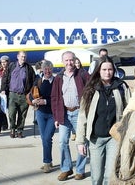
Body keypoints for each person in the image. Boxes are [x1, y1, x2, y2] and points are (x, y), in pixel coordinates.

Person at [76, 56, 131, 185]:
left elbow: (130, 110)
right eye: (104, 69)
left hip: (114, 138)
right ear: (98, 71)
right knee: (96, 177)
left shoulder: (121, 87)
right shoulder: (90, 89)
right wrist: (80, 141)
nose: (107, 72)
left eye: (110, 69)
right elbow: (82, 116)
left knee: (110, 176)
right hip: (96, 139)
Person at [51, 51, 90, 181]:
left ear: (75, 60)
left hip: (80, 113)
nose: (69, 63)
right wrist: (56, 117)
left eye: (71, 60)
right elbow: (55, 98)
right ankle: (66, 169)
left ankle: (80, 170)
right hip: (64, 114)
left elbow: (91, 91)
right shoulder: (59, 78)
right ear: (63, 62)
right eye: (66, 60)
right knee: (62, 142)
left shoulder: (83, 75)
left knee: (82, 142)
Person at [1, 51, 35, 138]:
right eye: (21, 56)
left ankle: (20, 130)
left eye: (24, 57)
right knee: (11, 113)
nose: (23, 58)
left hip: (24, 95)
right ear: (17, 57)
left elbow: (33, 80)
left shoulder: (29, 68)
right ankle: (12, 128)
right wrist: (3, 89)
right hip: (12, 94)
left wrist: (31, 92)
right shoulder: (11, 66)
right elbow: (5, 77)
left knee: (22, 114)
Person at [32, 60, 56, 173]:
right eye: (45, 69)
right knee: (44, 138)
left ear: (52, 70)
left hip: (52, 114)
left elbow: (58, 99)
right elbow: (31, 93)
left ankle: (46, 162)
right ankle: (49, 160)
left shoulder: (56, 82)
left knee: (47, 137)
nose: (47, 71)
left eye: (49, 69)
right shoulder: (38, 81)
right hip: (40, 113)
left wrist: (45, 101)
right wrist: (34, 100)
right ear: (42, 70)